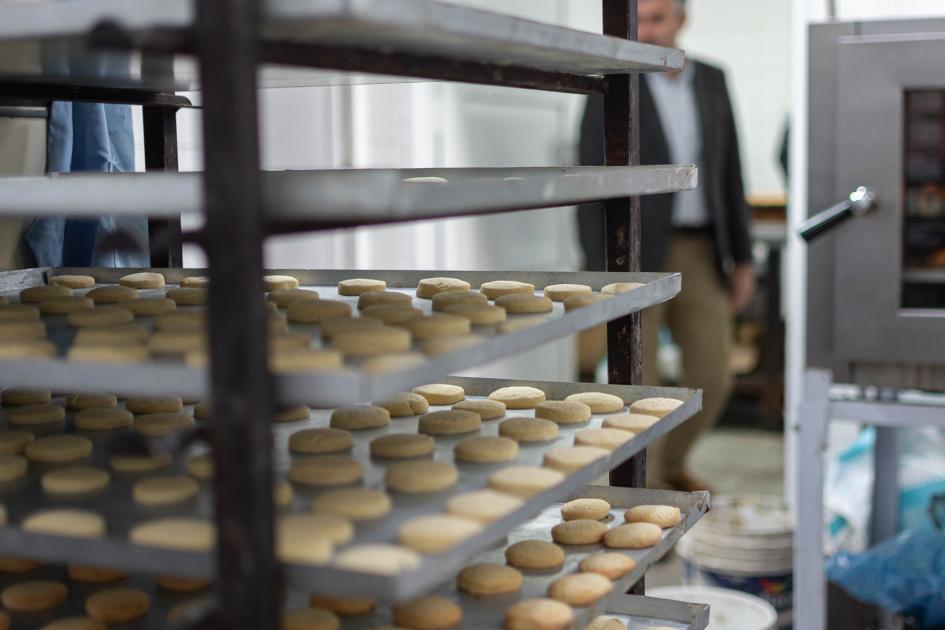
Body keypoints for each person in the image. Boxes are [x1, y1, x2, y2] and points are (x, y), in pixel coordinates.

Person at [577, 0, 754, 492]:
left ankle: (668, 468)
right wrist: (599, 275)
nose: (648, 32)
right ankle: (642, 500)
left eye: (658, 19)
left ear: (681, 19)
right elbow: (585, 181)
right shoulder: (611, 82)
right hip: (631, 255)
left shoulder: (713, 80)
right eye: (641, 21)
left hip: (701, 250)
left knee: (713, 373)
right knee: (639, 386)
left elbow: (730, 171)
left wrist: (743, 259)